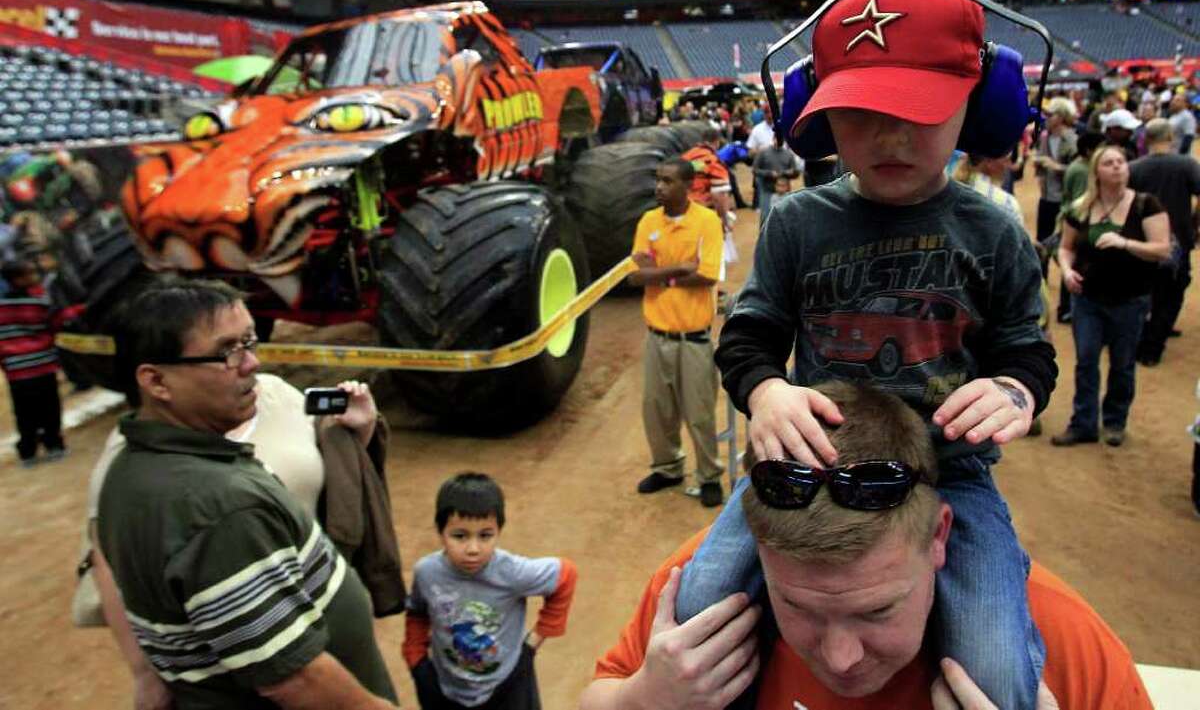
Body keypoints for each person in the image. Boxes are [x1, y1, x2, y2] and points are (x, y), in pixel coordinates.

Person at [687, 0, 1058, 710]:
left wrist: (1013, 389)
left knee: (995, 669)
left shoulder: (993, 230)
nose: (888, 137)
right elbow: (749, 336)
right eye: (857, 113)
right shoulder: (796, 223)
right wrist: (766, 391)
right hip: (812, 466)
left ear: (979, 104)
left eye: (916, 111)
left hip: (948, 473)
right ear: (813, 111)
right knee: (699, 603)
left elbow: (1027, 347)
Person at [580, 382, 1153, 710]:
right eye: (798, 608)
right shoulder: (697, 601)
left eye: (877, 609)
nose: (840, 657)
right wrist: (639, 701)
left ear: (939, 535)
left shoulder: (1057, 640)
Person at [95, 277, 398, 709]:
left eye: (250, 342)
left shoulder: (131, 468)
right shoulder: (217, 509)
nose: (252, 363)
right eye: (227, 352)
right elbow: (295, 679)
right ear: (157, 381)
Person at [403, 472, 577, 710]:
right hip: (445, 689)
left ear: (499, 531)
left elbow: (566, 575)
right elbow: (417, 611)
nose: (473, 548)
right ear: (440, 531)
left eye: (485, 535)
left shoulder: (512, 572)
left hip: (507, 686)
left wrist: (532, 645)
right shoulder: (427, 572)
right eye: (460, 536)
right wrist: (416, 658)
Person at [1053, 145, 1171, 447]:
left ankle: (1115, 422)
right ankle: (1084, 423)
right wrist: (1066, 271)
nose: (1118, 166)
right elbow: (1065, 247)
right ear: (1097, 171)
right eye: (1109, 162)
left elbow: (1162, 249)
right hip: (1087, 298)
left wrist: (1125, 243)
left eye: (1121, 161)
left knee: (1122, 364)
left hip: (1130, 300)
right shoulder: (1081, 207)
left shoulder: (1146, 204)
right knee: (1086, 361)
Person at [628, 157, 725, 507]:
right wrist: (680, 270)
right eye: (658, 180)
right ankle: (667, 468)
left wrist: (659, 273)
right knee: (656, 410)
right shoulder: (648, 221)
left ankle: (709, 475)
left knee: (699, 413)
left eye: (668, 181)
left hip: (694, 338)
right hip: (657, 336)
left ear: (688, 185)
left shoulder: (707, 222)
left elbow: (708, 275)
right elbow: (635, 275)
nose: (659, 187)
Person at [1129, 118, 1200, 365]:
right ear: (1170, 137)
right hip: (1177, 239)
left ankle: (1145, 338)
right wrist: (1194, 221)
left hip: (1143, 242)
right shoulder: (1186, 165)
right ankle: (1152, 346)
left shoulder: (1135, 168)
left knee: (1145, 291)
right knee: (1172, 292)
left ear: (1146, 139)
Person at [0, 258, 65, 467]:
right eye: (29, 273)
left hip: (17, 370)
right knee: (50, 408)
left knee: (24, 412)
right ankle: (54, 445)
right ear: (18, 279)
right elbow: (54, 324)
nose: (34, 277)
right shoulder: (38, 303)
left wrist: (7, 364)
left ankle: (28, 452)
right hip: (43, 365)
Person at [1055, 131, 1106, 323]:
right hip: (1076, 222)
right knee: (1072, 262)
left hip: (1073, 219)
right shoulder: (1082, 170)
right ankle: (1066, 308)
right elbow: (1078, 202)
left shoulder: (1081, 166)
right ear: (1089, 150)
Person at [1034, 97, 1078, 251]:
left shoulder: (1072, 139)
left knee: (1065, 244)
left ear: (1061, 117)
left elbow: (1079, 172)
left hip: (1065, 200)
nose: (1046, 117)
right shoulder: (1045, 137)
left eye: (1050, 114)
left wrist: (1056, 166)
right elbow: (1040, 161)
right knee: (1041, 243)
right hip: (1046, 197)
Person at [682, 125, 736, 231]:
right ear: (717, 142)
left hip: (682, 212)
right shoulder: (714, 162)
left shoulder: (685, 157)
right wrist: (725, 221)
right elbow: (719, 195)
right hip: (704, 213)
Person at [751, 132, 801, 228]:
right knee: (766, 216)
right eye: (776, 139)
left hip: (784, 191)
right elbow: (754, 170)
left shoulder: (788, 154)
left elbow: (796, 172)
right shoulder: (763, 152)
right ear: (773, 138)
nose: (778, 141)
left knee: (786, 216)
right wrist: (769, 173)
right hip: (767, 189)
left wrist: (788, 173)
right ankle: (764, 239)